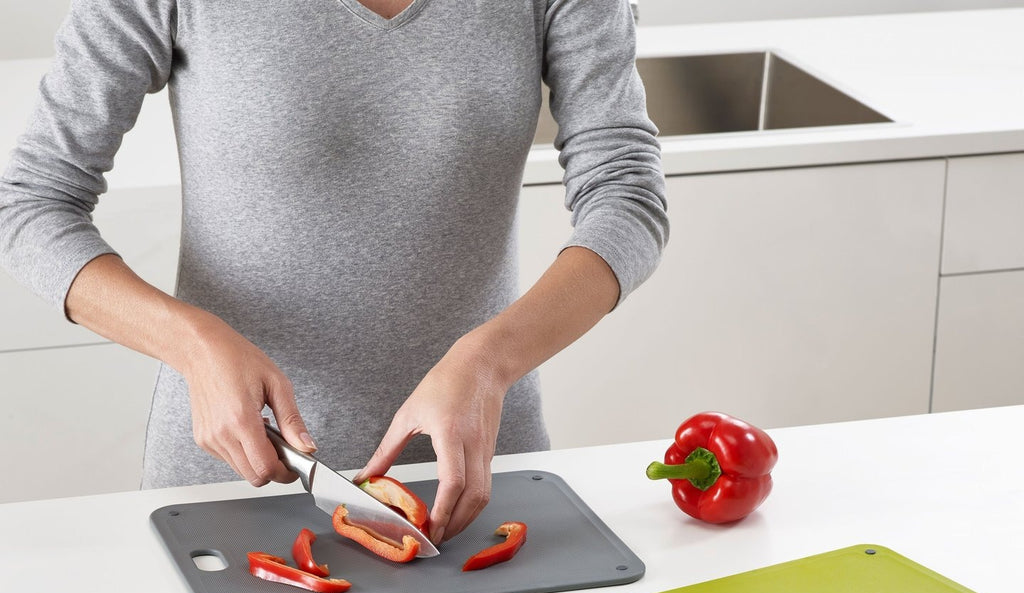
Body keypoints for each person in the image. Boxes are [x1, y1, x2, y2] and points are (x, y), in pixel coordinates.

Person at [0, 0, 669, 544]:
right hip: (237, 483)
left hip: (476, 482)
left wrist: (492, 361)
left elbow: (627, 196)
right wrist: (192, 345)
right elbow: (31, 204)